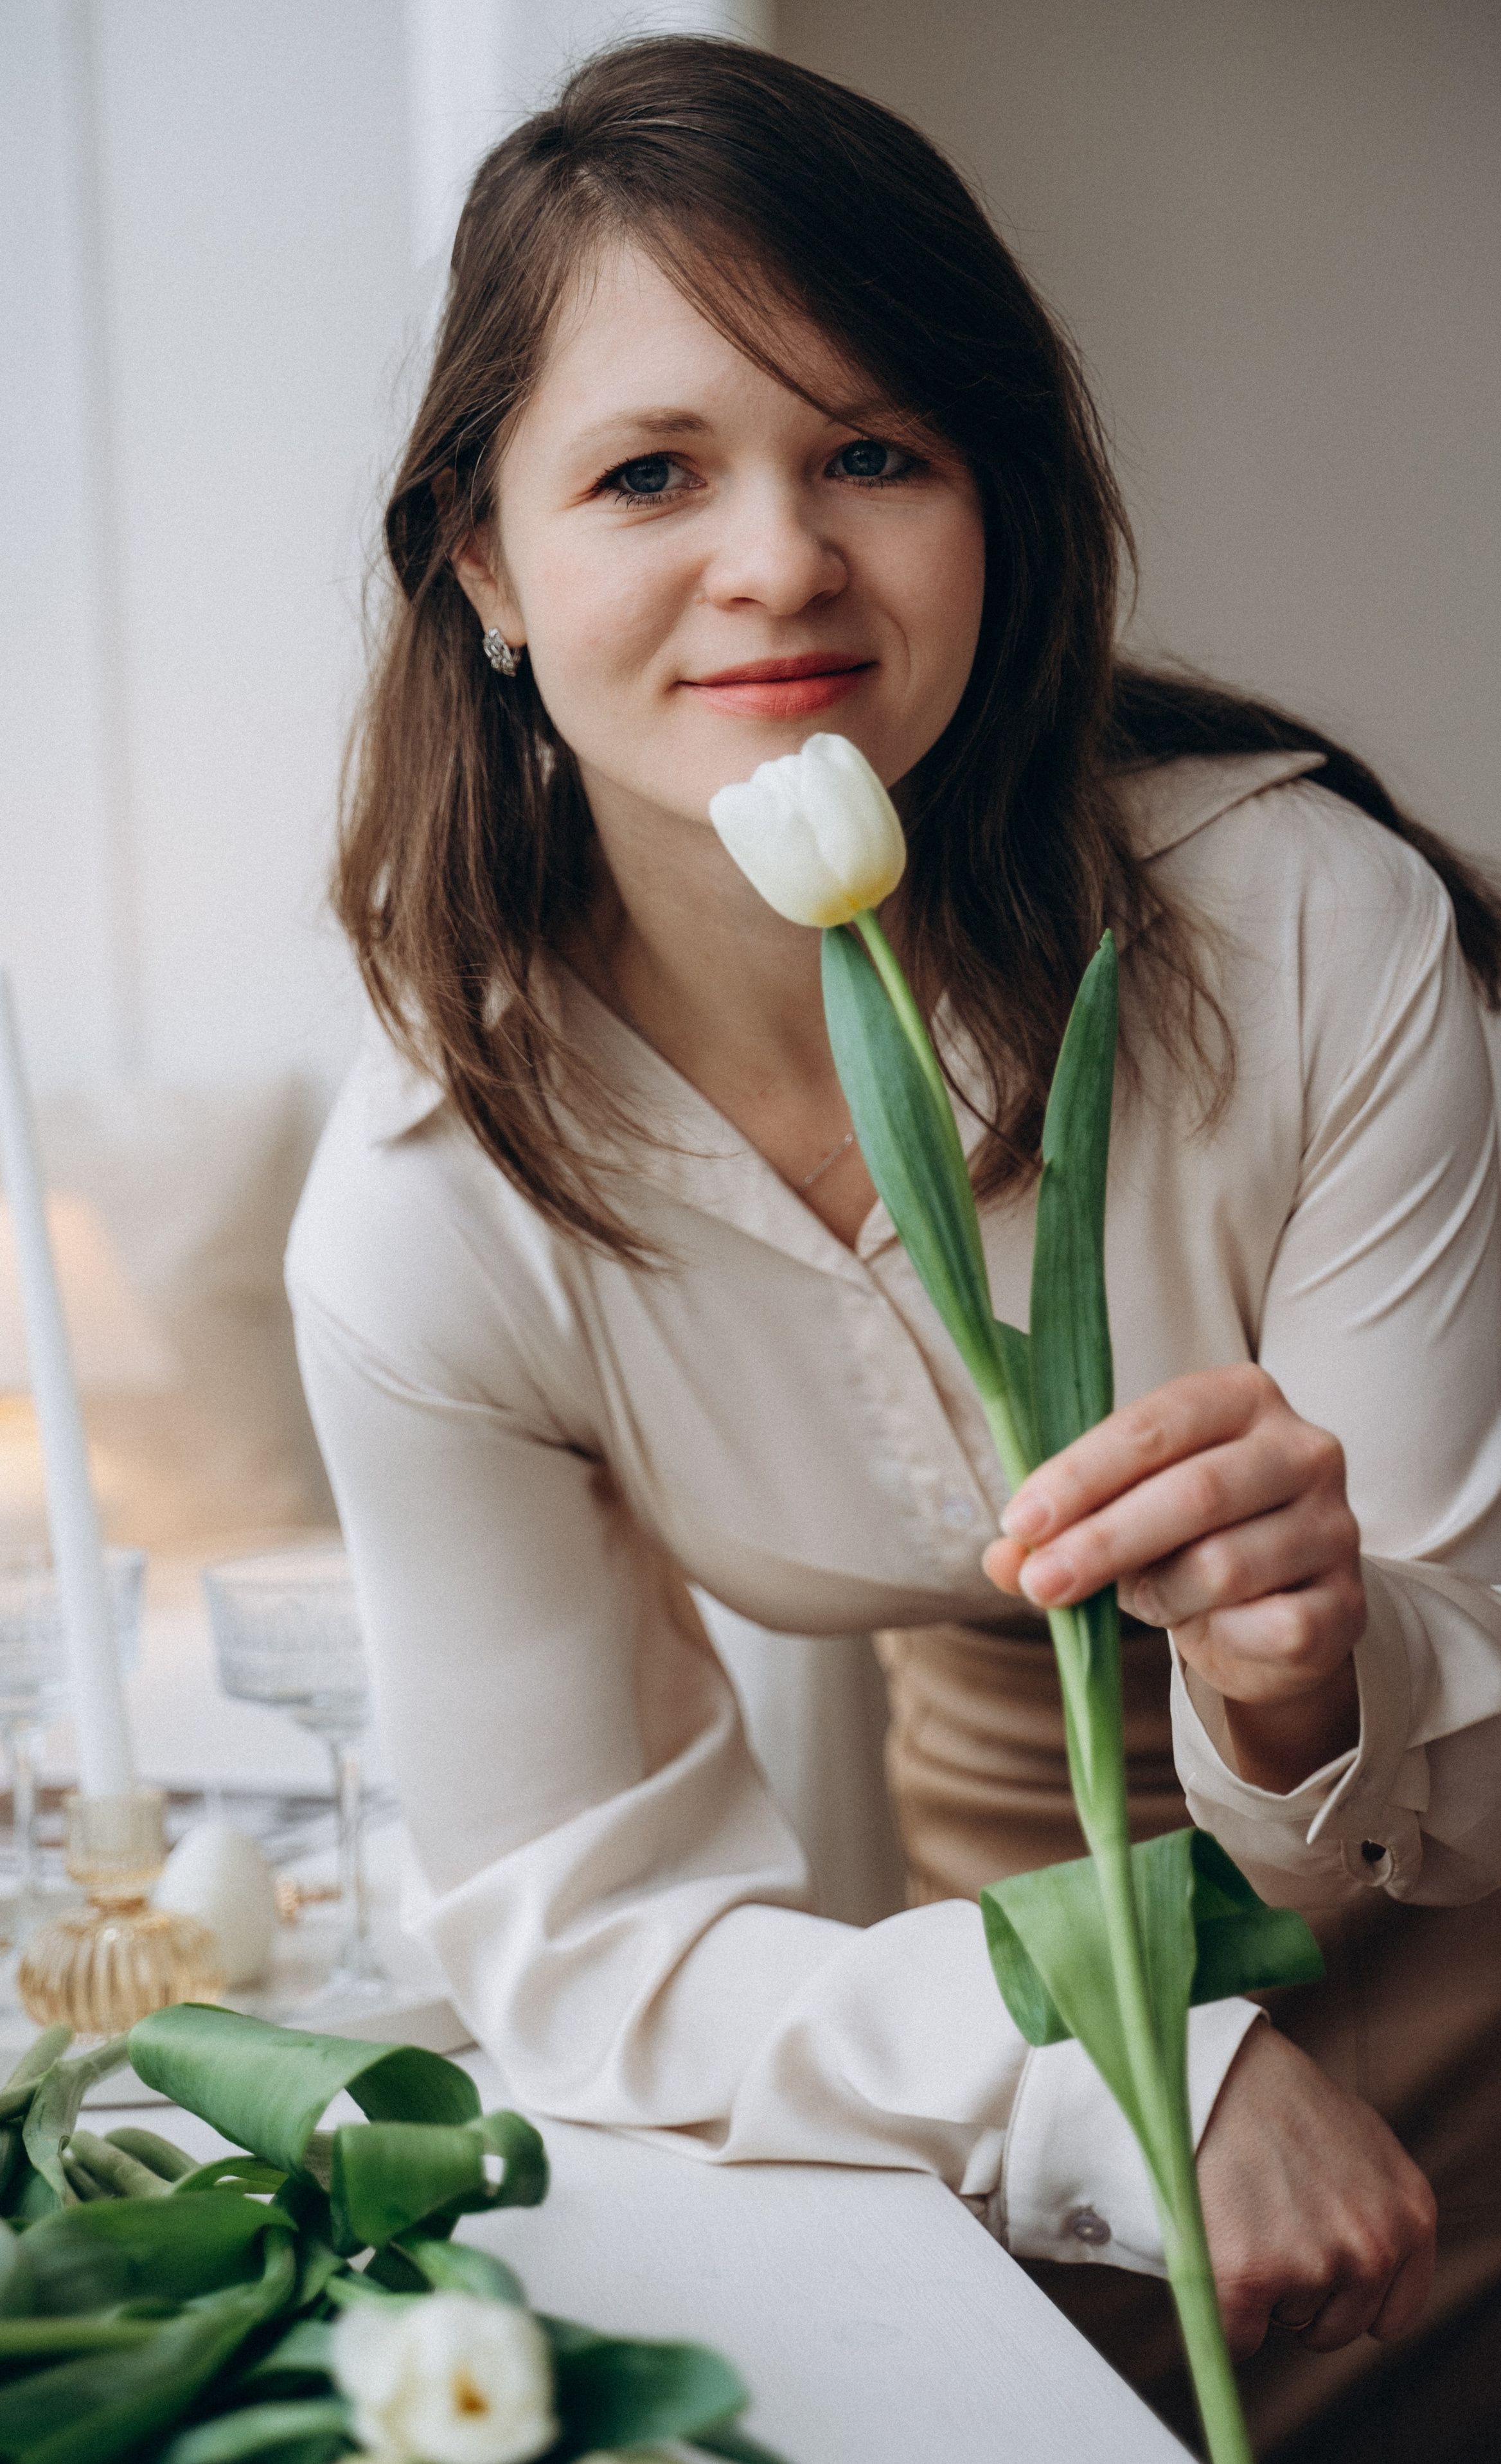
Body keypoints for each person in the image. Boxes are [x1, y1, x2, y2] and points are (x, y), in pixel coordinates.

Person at [287, 37, 1501, 2461]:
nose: (780, 563)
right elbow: (581, 1942)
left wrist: (1291, 1668)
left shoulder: (1305, 940)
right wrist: (1101, 2060)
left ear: (994, 512)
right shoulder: (437, 1213)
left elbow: (1464, 1746)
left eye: (875, 452)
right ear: (486, 568)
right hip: (999, 2004)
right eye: (652, 472)